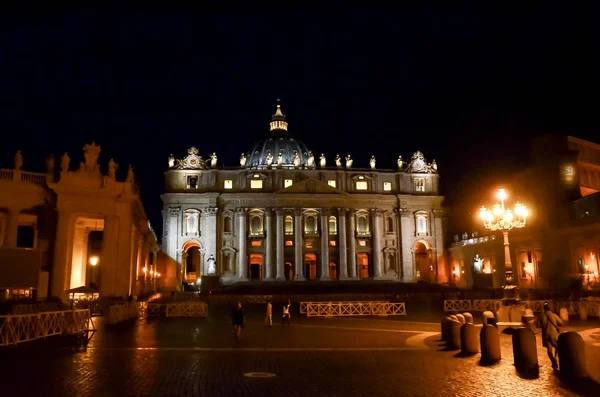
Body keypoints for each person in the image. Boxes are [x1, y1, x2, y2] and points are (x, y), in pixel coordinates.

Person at [536, 302, 563, 369]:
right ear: (550, 308)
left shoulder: (541, 315)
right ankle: (555, 357)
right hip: (554, 333)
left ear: (544, 309)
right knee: (558, 346)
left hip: (545, 334)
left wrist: (544, 325)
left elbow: (538, 325)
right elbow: (561, 323)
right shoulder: (554, 315)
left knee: (549, 349)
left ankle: (553, 361)